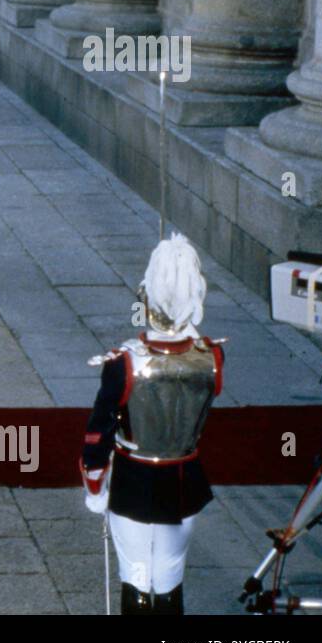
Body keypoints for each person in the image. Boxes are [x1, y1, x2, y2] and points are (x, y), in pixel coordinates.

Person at [80, 233, 224, 614]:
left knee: (136, 572)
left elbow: (98, 436)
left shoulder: (123, 361)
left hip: (133, 479)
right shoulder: (212, 357)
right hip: (183, 478)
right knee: (170, 575)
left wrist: (95, 489)